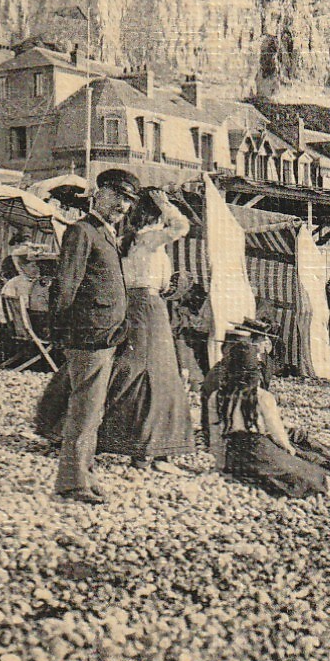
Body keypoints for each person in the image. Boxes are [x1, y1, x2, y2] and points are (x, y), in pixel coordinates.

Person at [47, 168, 139, 504]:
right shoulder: (82, 231)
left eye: (128, 200)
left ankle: (84, 475)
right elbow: (66, 284)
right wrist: (59, 330)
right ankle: (72, 483)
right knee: (84, 413)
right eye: (117, 196)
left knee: (93, 411)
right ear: (98, 192)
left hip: (105, 334)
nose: (123, 205)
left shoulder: (106, 233)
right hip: (88, 335)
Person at [96, 187, 195, 474]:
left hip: (134, 305)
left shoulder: (128, 241)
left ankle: (127, 442)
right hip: (150, 308)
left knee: (135, 370)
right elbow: (182, 225)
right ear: (157, 215)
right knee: (160, 375)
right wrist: (166, 205)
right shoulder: (151, 239)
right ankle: (151, 450)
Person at [209, 338, 330, 498]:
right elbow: (277, 433)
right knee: (311, 476)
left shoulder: (216, 397)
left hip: (233, 454)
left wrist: (221, 463)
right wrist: (289, 451)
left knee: (296, 459)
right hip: (259, 447)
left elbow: (215, 435)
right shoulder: (262, 397)